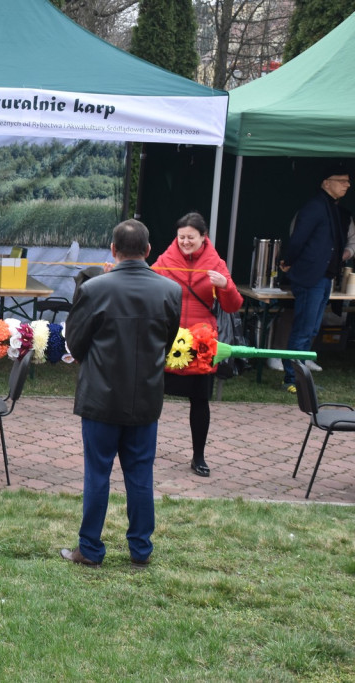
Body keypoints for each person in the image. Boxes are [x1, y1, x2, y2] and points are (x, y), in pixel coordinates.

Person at [61, 219, 181, 568]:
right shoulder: (170, 291)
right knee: (140, 476)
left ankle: (91, 550)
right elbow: (167, 341)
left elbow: (75, 341)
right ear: (148, 250)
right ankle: (141, 550)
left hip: (100, 397)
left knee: (97, 475)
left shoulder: (95, 288)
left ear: (113, 250)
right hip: (145, 396)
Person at [153, 212, 243, 478]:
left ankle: (198, 456)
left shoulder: (216, 263)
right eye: (181, 237)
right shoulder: (165, 260)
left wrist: (225, 285)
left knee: (200, 400)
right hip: (167, 339)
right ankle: (143, 451)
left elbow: (234, 305)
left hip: (201, 344)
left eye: (191, 238)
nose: (185, 242)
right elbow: (145, 284)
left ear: (204, 238)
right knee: (152, 397)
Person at [279, 163, 351, 392]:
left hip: (323, 277)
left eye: (348, 181)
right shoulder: (315, 207)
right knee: (303, 328)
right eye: (341, 180)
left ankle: (301, 377)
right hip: (310, 277)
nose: (347, 185)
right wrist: (288, 260)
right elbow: (298, 238)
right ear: (326, 182)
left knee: (310, 329)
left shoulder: (331, 206)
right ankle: (291, 378)